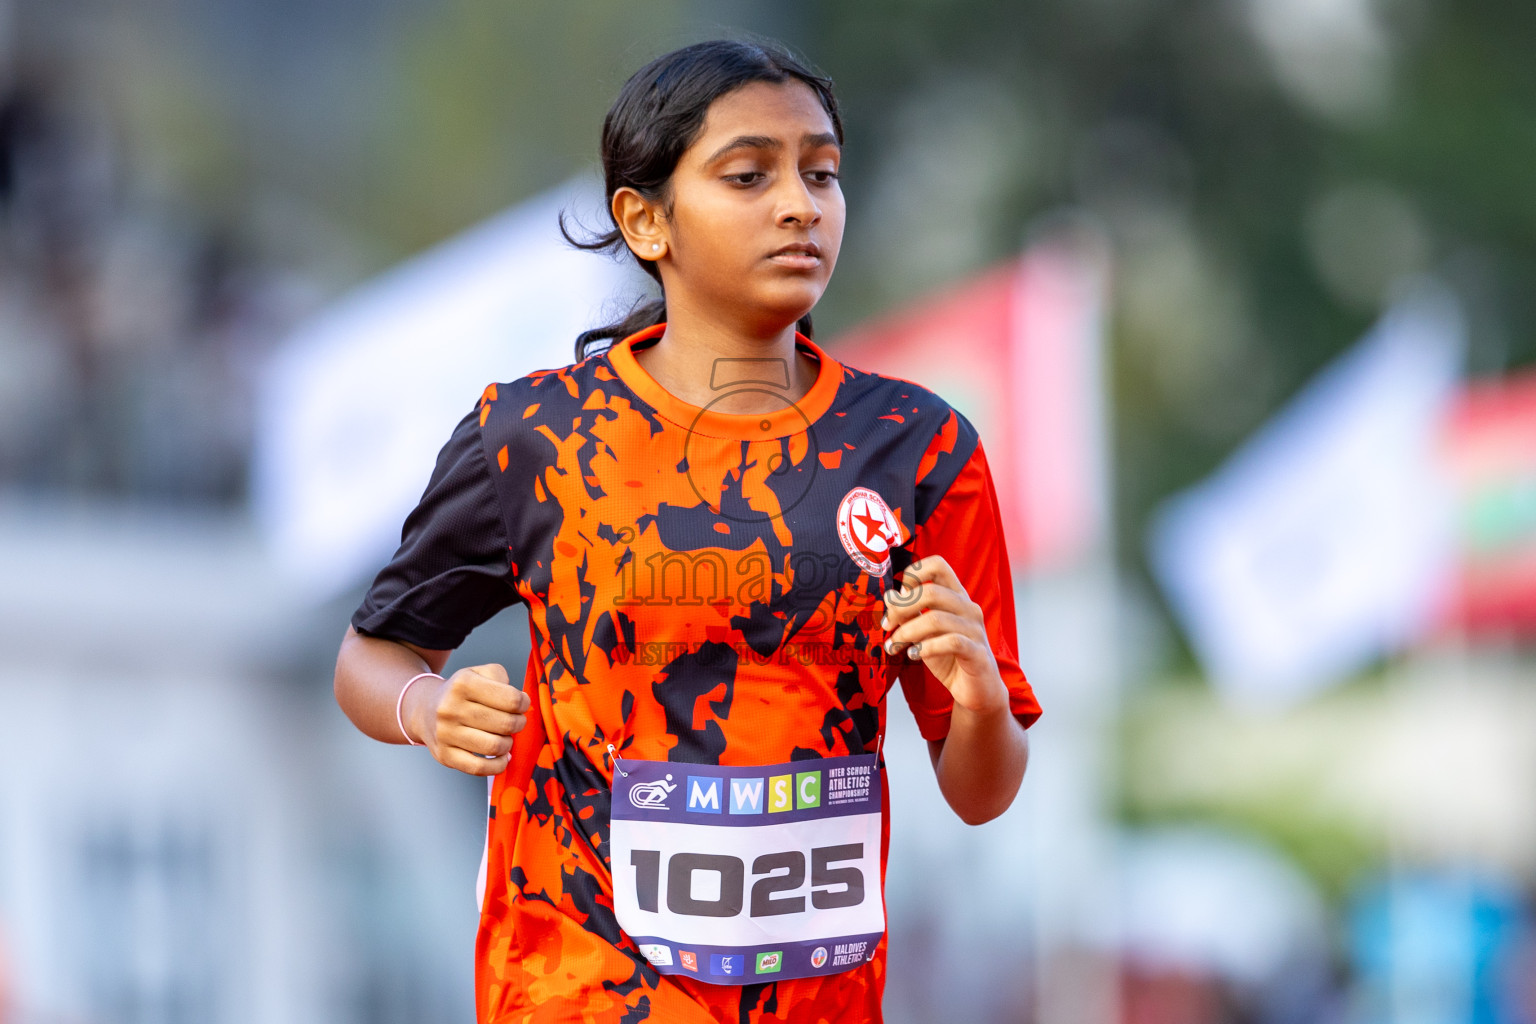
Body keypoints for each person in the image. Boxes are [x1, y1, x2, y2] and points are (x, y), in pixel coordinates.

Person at [333, 38, 1040, 1024]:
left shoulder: (917, 448)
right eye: (749, 175)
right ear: (647, 220)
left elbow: (982, 789)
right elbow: (371, 654)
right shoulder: (536, 437)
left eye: (822, 173)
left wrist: (973, 697)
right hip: (577, 994)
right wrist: (425, 705)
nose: (801, 205)